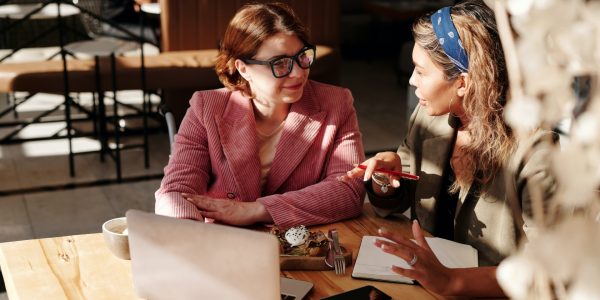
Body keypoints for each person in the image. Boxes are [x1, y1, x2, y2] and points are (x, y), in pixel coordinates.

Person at [341, 0, 557, 297]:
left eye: (420, 71)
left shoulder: (537, 152)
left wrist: (452, 281)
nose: (412, 81)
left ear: (463, 83)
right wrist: (386, 181)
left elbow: (551, 271)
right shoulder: (432, 119)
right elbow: (399, 194)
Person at [155, 3, 365, 228]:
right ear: (243, 68)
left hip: (305, 245)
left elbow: (349, 190)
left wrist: (257, 210)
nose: (298, 73)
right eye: (280, 63)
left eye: (302, 57)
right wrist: (191, 235)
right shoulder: (206, 107)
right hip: (226, 240)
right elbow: (176, 192)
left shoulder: (336, 103)